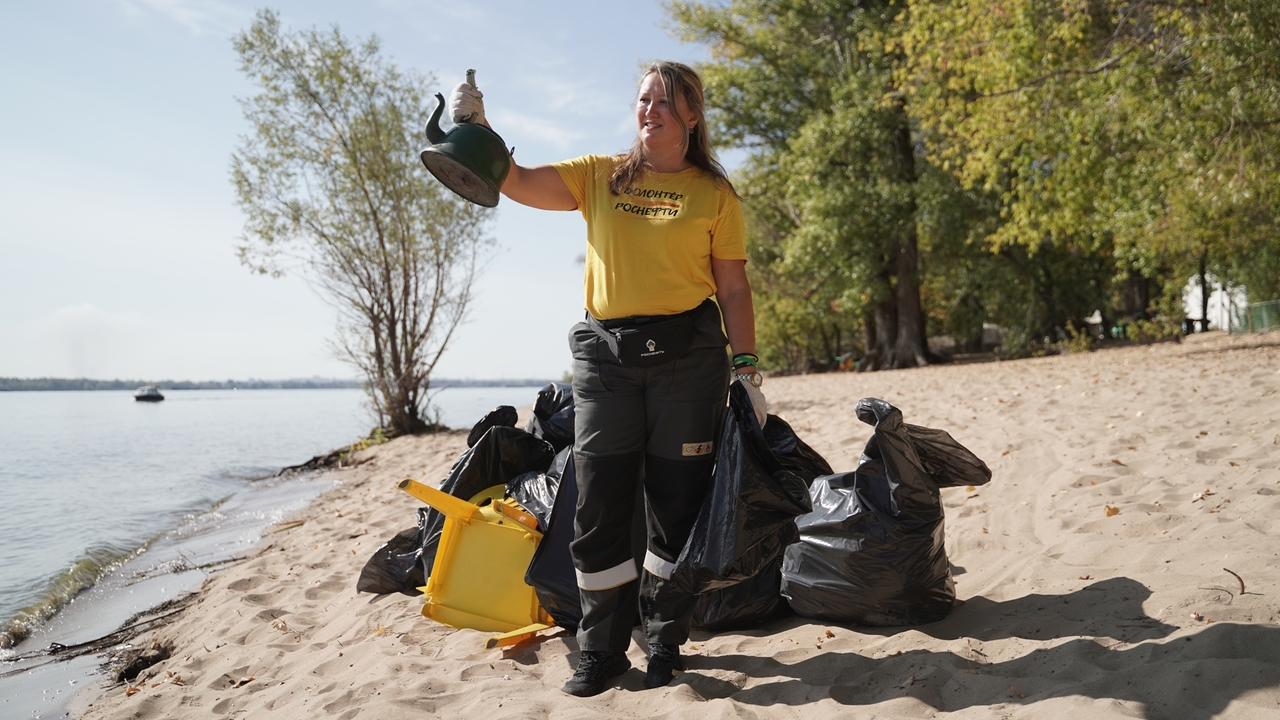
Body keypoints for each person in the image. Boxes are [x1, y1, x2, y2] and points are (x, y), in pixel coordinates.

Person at [451, 61, 766, 697]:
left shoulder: (715, 195)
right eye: (643, 100)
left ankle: (666, 641)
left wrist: (748, 368)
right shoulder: (600, 176)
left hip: (689, 360)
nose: (649, 111)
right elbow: (517, 180)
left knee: (674, 505)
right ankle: (600, 650)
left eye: (664, 103)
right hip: (607, 362)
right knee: (599, 501)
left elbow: (732, 287)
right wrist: (480, 130)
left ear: (691, 118)